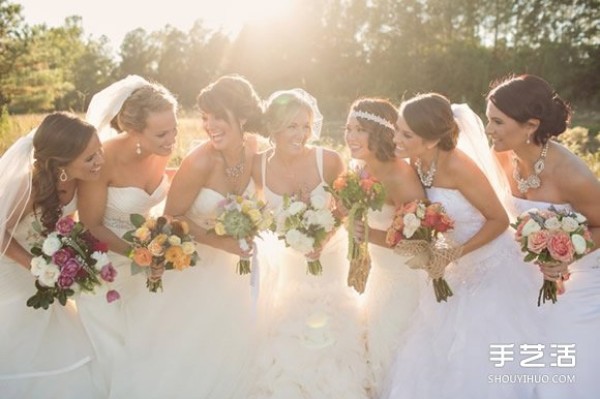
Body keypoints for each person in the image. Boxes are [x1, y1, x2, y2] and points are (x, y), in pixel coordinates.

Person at [381, 93, 539, 399]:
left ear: (430, 142)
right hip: (451, 268)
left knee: (475, 353)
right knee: (435, 348)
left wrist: (454, 252)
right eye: (397, 129)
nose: (396, 138)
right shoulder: (414, 162)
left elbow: (499, 220)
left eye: (406, 134)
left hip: (491, 265)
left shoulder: (459, 167)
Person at [141, 74, 263, 398]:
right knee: (197, 349)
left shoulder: (256, 150)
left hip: (236, 269)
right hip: (196, 267)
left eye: (219, 116)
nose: (211, 126)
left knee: (237, 343)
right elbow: (171, 216)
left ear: (244, 116)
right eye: (206, 117)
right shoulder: (200, 160)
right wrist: (221, 242)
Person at [247, 88, 369, 399]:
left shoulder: (327, 160)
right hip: (286, 263)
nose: (301, 134)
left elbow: (346, 206)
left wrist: (322, 237)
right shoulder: (257, 166)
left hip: (328, 258)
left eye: (305, 125)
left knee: (333, 329)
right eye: (292, 126)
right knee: (287, 331)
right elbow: (255, 212)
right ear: (274, 127)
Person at [486, 74, 600, 399]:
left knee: (561, 363)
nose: (488, 129)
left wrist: (565, 255)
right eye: (487, 119)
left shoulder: (570, 173)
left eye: (497, 121)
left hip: (583, 275)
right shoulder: (500, 156)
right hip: (529, 271)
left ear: (530, 125)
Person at [76, 75, 178, 395]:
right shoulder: (101, 159)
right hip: (107, 269)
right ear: (135, 131)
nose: (171, 139)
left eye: (174, 129)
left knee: (156, 348)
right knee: (119, 356)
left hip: (147, 265)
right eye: (162, 133)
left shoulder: (162, 150)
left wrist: (159, 247)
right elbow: (90, 226)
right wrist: (141, 254)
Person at [0, 112, 104, 398]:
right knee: (20, 332)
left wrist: (70, 254)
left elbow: (66, 221)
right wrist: (35, 266)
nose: (99, 161)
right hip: (11, 269)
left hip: (44, 268)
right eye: (90, 157)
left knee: (61, 336)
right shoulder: (27, 186)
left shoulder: (80, 180)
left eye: (100, 151)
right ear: (61, 162)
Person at [344, 98, 426, 397]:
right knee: (372, 347)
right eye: (349, 128)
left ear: (379, 133)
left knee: (392, 351)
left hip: (405, 281)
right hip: (380, 277)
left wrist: (368, 235)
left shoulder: (399, 175)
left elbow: (420, 241)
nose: (351, 136)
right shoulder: (360, 168)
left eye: (360, 129)